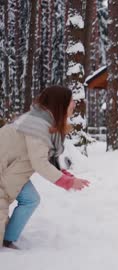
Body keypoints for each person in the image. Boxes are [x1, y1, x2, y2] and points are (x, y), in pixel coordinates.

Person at [0, 86, 90, 249]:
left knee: (31, 199)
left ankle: (8, 239)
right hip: (6, 170)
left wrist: (68, 178)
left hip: (12, 169)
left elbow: (47, 158)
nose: (74, 104)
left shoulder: (44, 122)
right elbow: (40, 163)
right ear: (60, 103)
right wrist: (67, 182)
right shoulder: (37, 125)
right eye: (70, 101)